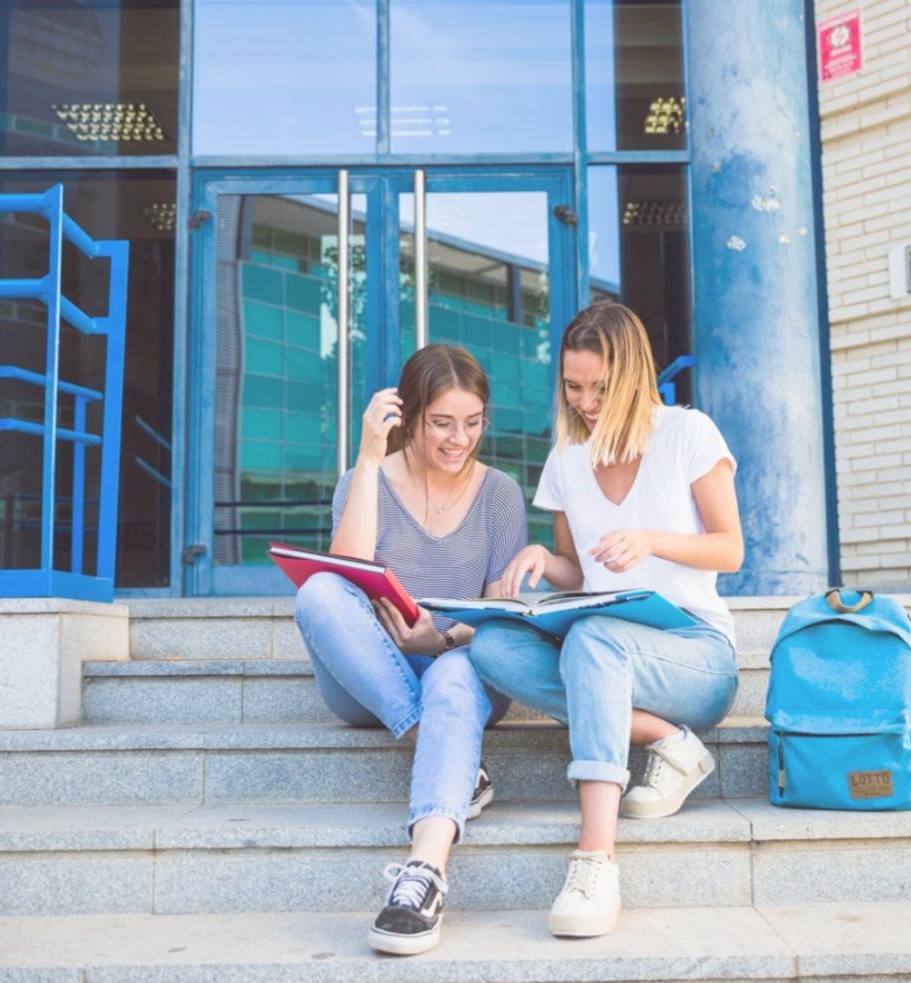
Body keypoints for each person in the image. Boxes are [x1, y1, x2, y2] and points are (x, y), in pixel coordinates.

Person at [469, 302, 743, 939]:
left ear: (633, 375)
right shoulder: (567, 459)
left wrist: (652, 540)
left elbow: (730, 549)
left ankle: (595, 860)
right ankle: (667, 741)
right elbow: (577, 570)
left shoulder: (688, 432)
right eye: (573, 387)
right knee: (493, 646)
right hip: (606, 646)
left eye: (600, 387)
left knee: (593, 640)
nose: (586, 402)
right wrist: (543, 558)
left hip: (695, 653)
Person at [292, 343, 527, 956]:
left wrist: (441, 639)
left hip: (462, 669)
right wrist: (370, 457)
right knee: (318, 592)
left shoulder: (500, 494)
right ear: (411, 416)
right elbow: (346, 573)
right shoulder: (364, 480)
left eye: (473, 422)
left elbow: (503, 616)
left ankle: (424, 875)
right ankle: (445, 750)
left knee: (451, 674)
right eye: (442, 423)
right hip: (373, 677)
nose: (459, 439)